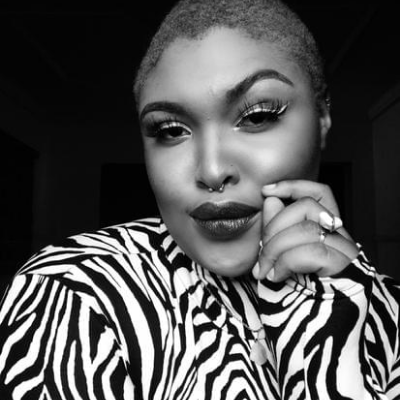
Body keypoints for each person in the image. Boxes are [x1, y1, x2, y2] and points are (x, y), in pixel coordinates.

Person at [0, 0, 399, 398]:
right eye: (171, 130)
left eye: (257, 116)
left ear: (322, 118)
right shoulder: (75, 294)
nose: (211, 170)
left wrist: (332, 355)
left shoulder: (389, 309)